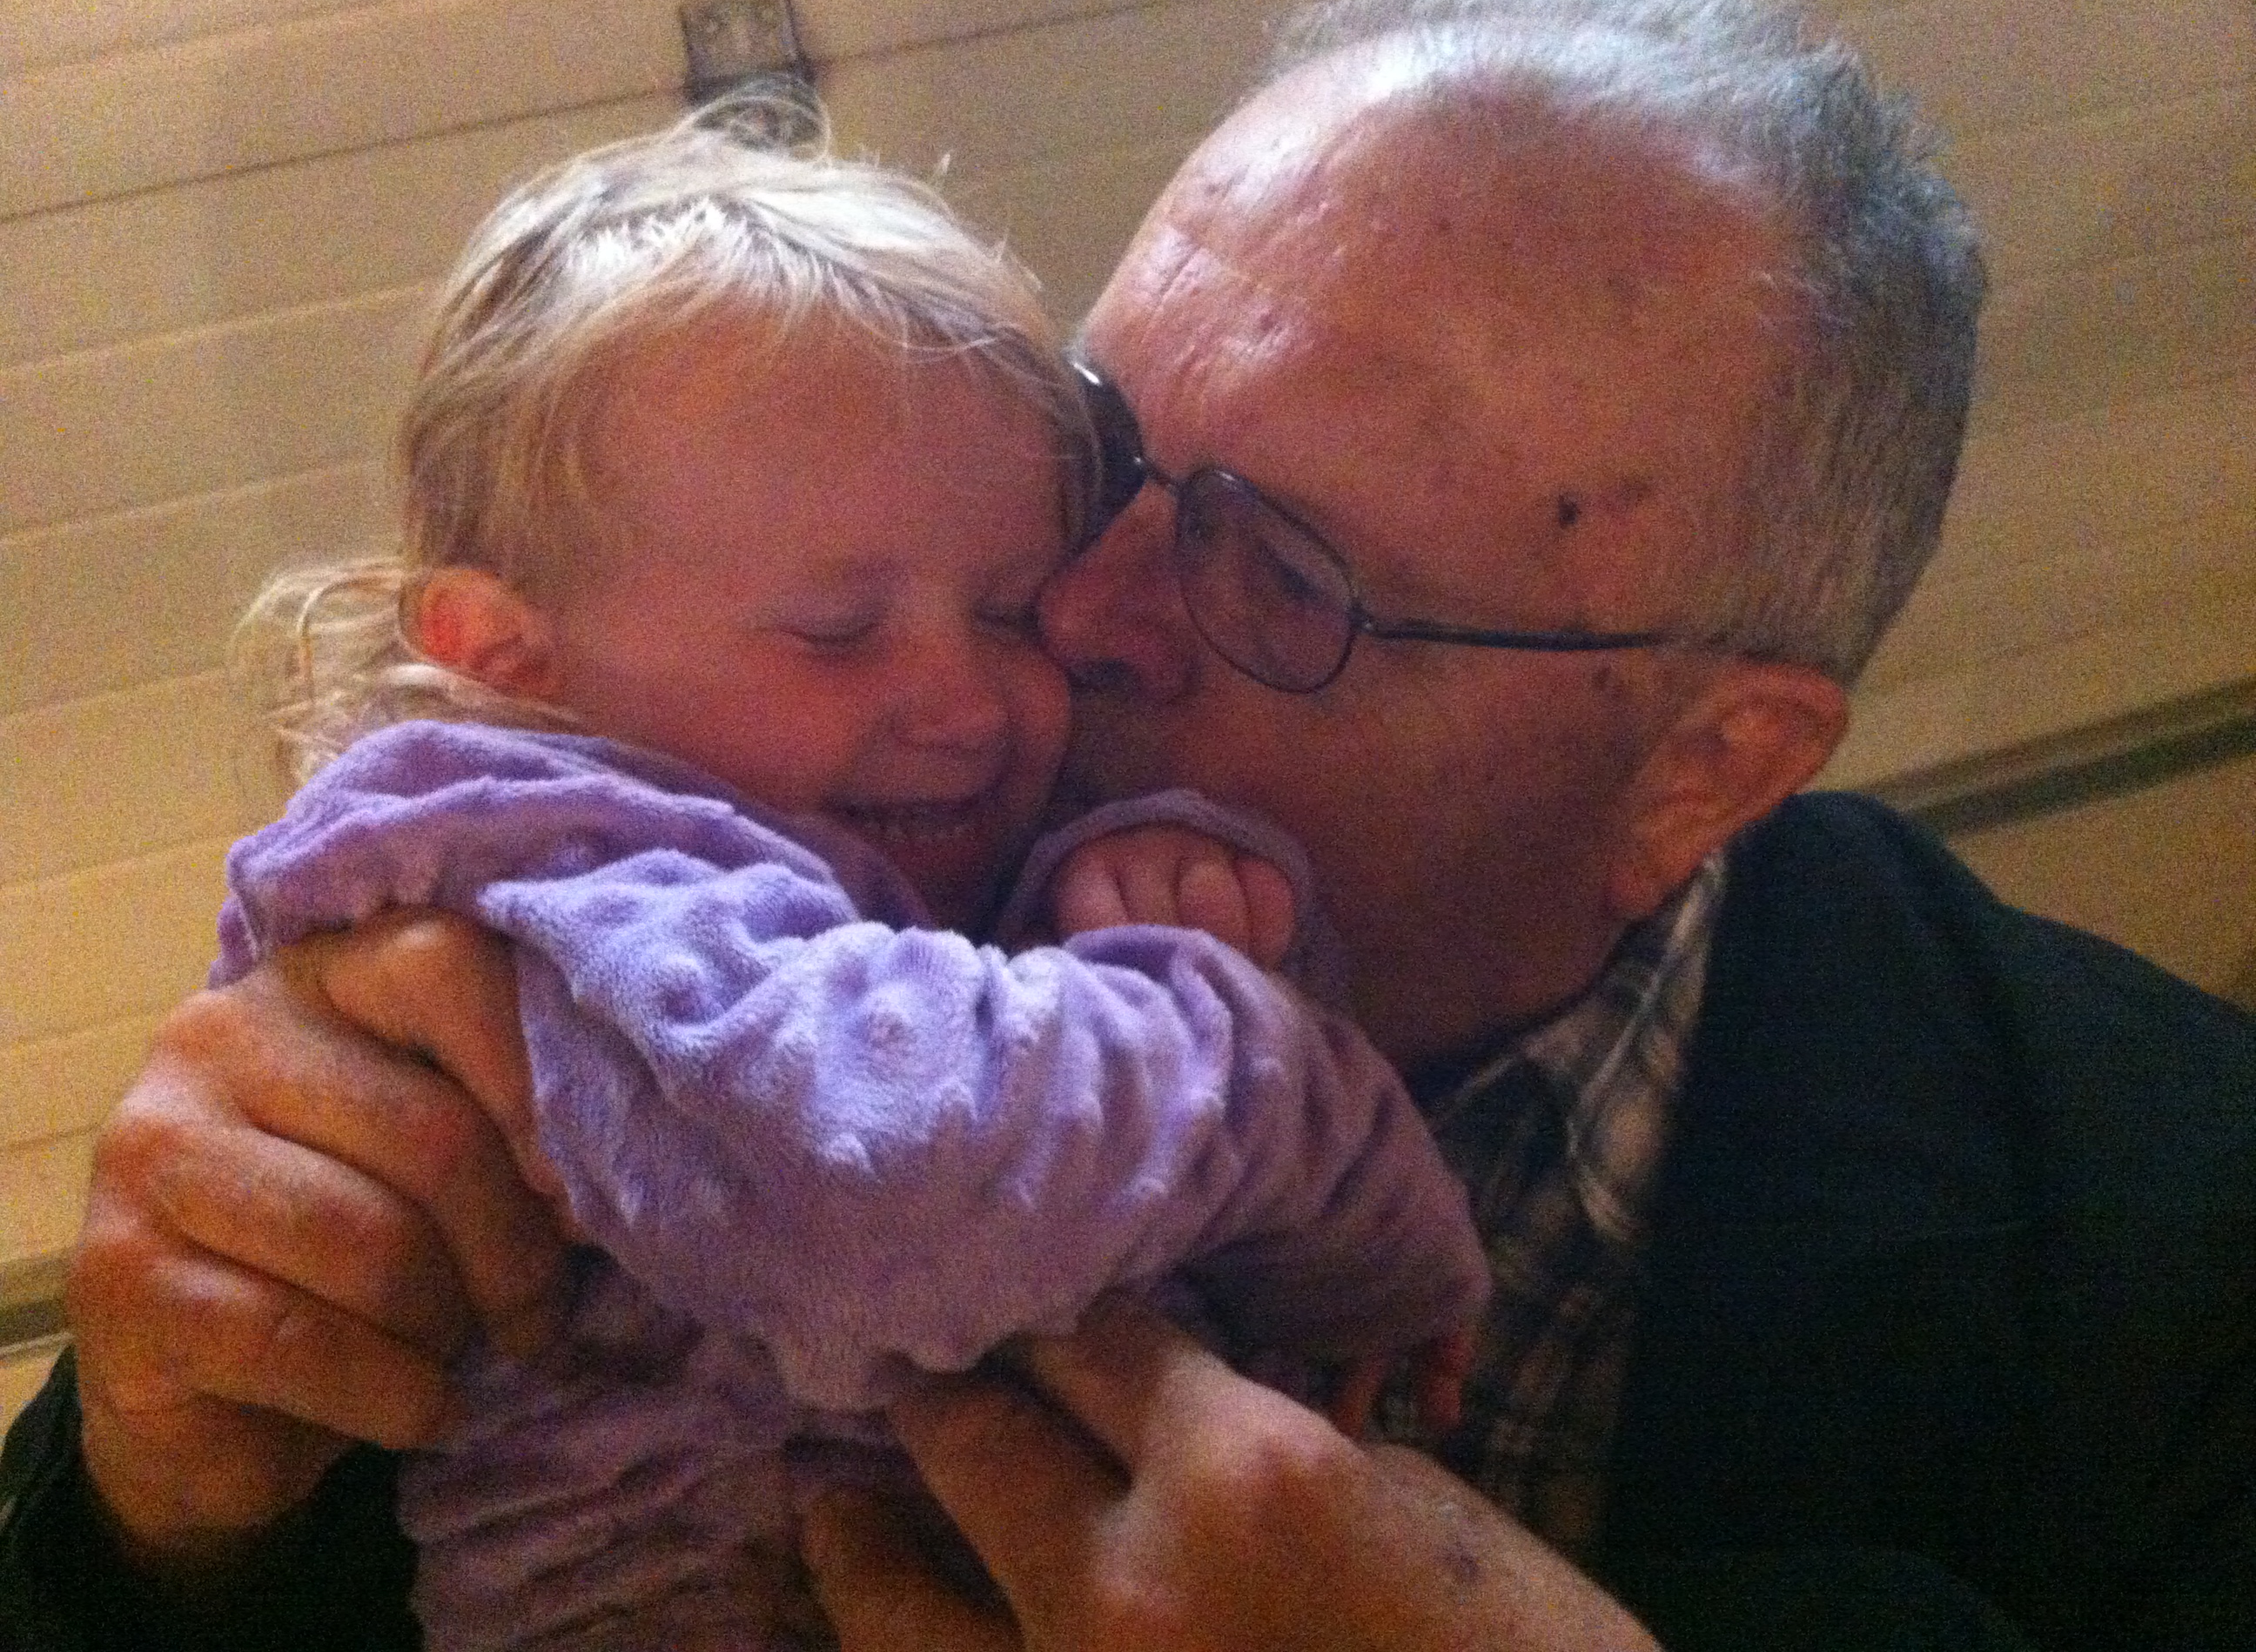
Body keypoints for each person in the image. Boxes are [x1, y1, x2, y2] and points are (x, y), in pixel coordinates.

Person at [5, 0, 2253, 1648]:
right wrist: (163, 1497)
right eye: (1107, 446)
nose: (1066, 616)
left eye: (1279, 575)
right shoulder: (719, 864)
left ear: (1707, 764)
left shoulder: (2171, 1264)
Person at [5, 108, 1494, 1650]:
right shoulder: (564, 873)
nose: (967, 702)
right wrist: (1318, 1146)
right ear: (509, 660)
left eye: (1010, 608)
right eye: (839, 632)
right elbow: (912, 1173)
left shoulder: (831, 809)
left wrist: (1119, 893)